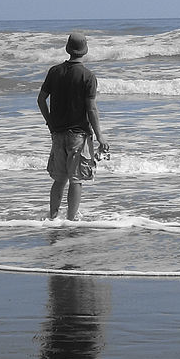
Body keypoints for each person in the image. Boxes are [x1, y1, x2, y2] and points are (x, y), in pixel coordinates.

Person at [37, 32, 109, 221]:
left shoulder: (55, 71)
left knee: (59, 179)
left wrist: (50, 122)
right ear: (84, 51)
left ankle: (52, 217)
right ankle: (71, 219)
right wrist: (100, 136)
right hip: (78, 134)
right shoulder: (88, 76)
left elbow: (41, 100)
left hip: (58, 133)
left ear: (68, 49)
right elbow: (91, 109)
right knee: (76, 180)